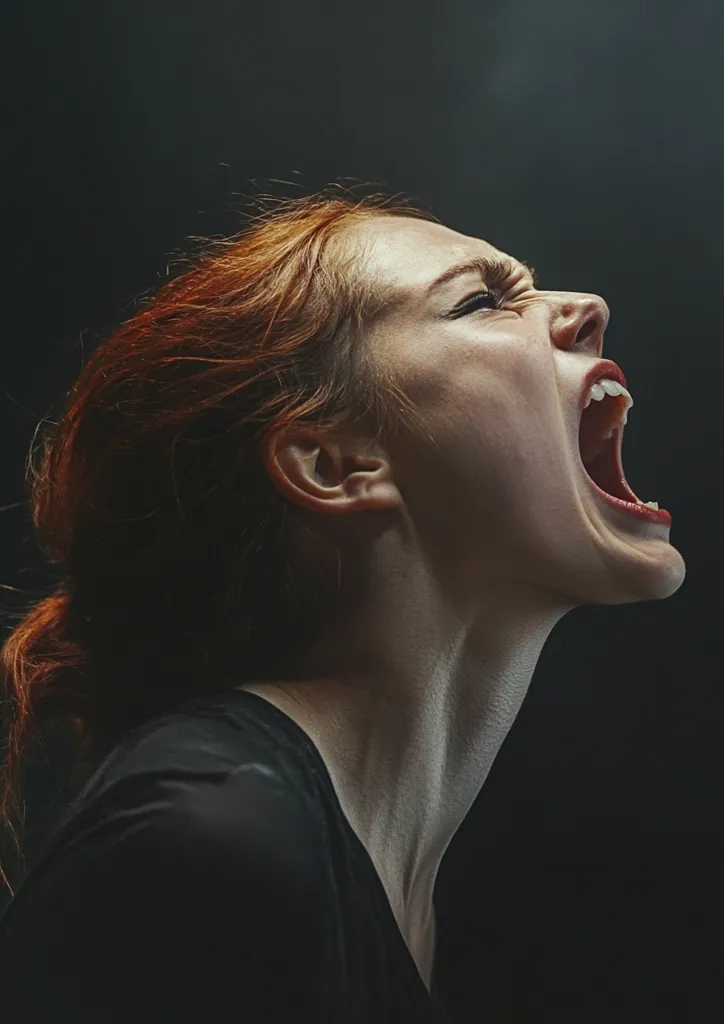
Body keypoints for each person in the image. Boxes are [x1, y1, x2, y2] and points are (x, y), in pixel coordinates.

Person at [0, 190, 686, 1023]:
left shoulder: (395, 901)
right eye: (482, 299)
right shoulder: (210, 843)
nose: (587, 309)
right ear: (334, 463)